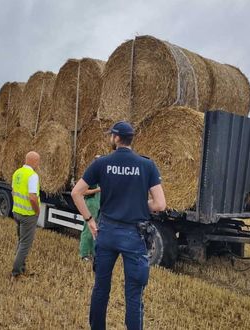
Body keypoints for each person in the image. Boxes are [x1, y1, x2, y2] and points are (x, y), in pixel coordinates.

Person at [71, 121, 166, 330]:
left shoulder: (101, 163)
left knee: (101, 288)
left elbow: (76, 193)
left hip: (106, 232)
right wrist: (139, 205)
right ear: (131, 139)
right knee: (133, 294)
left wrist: (90, 220)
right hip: (134, 235)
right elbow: (160, 204)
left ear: (115, 138)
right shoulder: (147, 165)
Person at [11, 151, 41, 279]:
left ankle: (21, 268)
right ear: (34, 161)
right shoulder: (32, 176)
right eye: (38, 161)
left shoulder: (17, 172)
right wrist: (37, 211)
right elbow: (33, 197)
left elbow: (13, 191)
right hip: (28, 214)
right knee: (25, 245)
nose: (39, 164)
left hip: (17, 212)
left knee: (21, 241)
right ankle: (16, 273)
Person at [79, 156, 101, 261]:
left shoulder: (101, 175)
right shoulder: (90, 175)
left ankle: (93, 253)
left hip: (98, 204)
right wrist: (98, 190)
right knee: (88, 229)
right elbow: (82, 191)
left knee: (96, 230)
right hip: (91, 203)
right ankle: (84, 254)